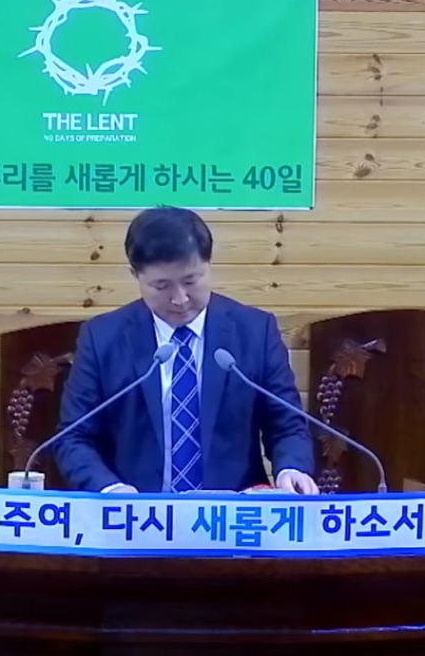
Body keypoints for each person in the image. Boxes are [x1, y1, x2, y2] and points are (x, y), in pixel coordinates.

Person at [52, 205, 320, 495]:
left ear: (209, 264)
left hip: (231, 514)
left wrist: (291, 468)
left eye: (191, 281)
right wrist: (111, 489)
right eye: (161, 286)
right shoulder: (102, 338)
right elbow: (74, 436)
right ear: (135, 275)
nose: (180, 299)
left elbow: (287, 424)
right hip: (135, 514)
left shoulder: (255, 332)